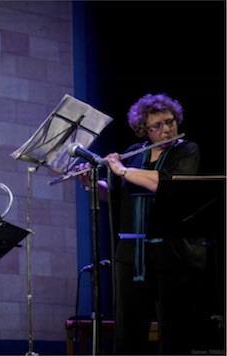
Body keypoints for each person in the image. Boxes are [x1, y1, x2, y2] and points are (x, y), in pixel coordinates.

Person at [76, 93, 210, 354]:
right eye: (156, 126)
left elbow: (166, 182)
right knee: (128, 330)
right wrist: (91, 184)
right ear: (143, 131)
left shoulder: (186, 149)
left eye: (169, 122)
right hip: (131, 254)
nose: (166, 129)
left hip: (172, 252)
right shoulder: (133, 154)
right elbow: (115, 196)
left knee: (174, 331)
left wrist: (122, 170)